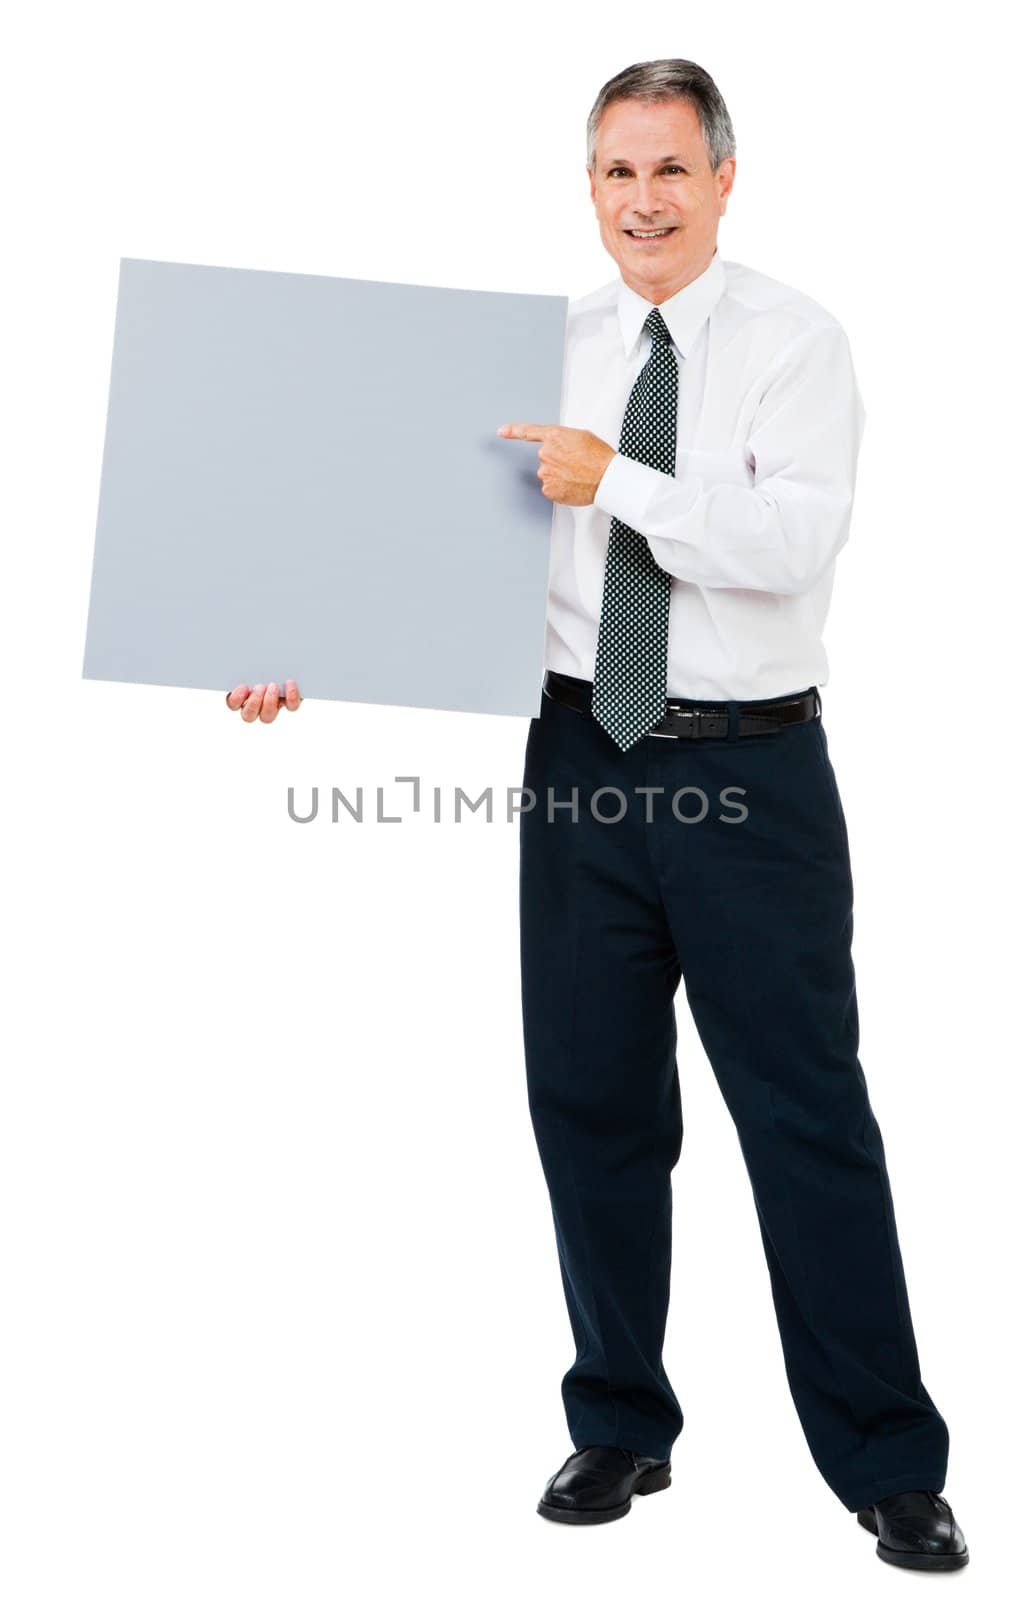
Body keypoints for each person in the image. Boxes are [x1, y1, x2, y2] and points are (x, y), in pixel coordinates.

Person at [225, 57, 967, 1573]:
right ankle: (622, 1422)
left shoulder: (794, 342)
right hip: (579, 763)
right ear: (590, 186)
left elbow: (789, 544)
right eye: (619, 173)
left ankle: (888, 1461)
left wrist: (619, 478)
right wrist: (299, 641)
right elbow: (429, 548)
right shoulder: (541, 350)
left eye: (673, 171)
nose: (645, 201)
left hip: (751, 776)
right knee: (591, 1109)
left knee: (807, 1119)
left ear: (724, 180)